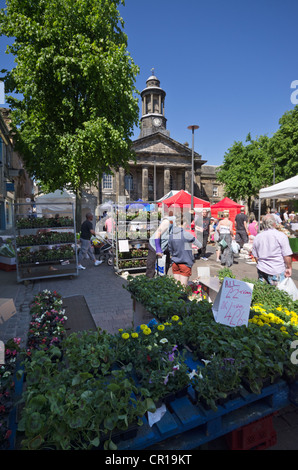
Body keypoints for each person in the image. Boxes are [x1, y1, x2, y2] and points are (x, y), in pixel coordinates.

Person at [252, 214, 292, 285]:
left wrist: (262, 263)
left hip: (262, 269)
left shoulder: (258, 237)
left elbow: (255, 256)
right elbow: (286, 255)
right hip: (277, 270)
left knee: (263, 294)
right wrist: (289, 267)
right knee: (277, 294)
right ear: (274, 223)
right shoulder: (281, 236)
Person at [168, 217, 202, 286]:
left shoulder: (171, 236)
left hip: (175, 262)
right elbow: (200, 245)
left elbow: (170, 250)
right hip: (185, 262)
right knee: (183, 288)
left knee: (176, 286)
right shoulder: (186, 234)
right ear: (184, 223)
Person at [145, 211, 175, 278]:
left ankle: (162, 281)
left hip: (165, 245)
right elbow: (158, 233)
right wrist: (158, 249)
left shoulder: (178, 225)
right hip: (155, 245)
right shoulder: (168, 222)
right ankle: (148, 281)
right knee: (151, 265)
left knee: (165, 265)